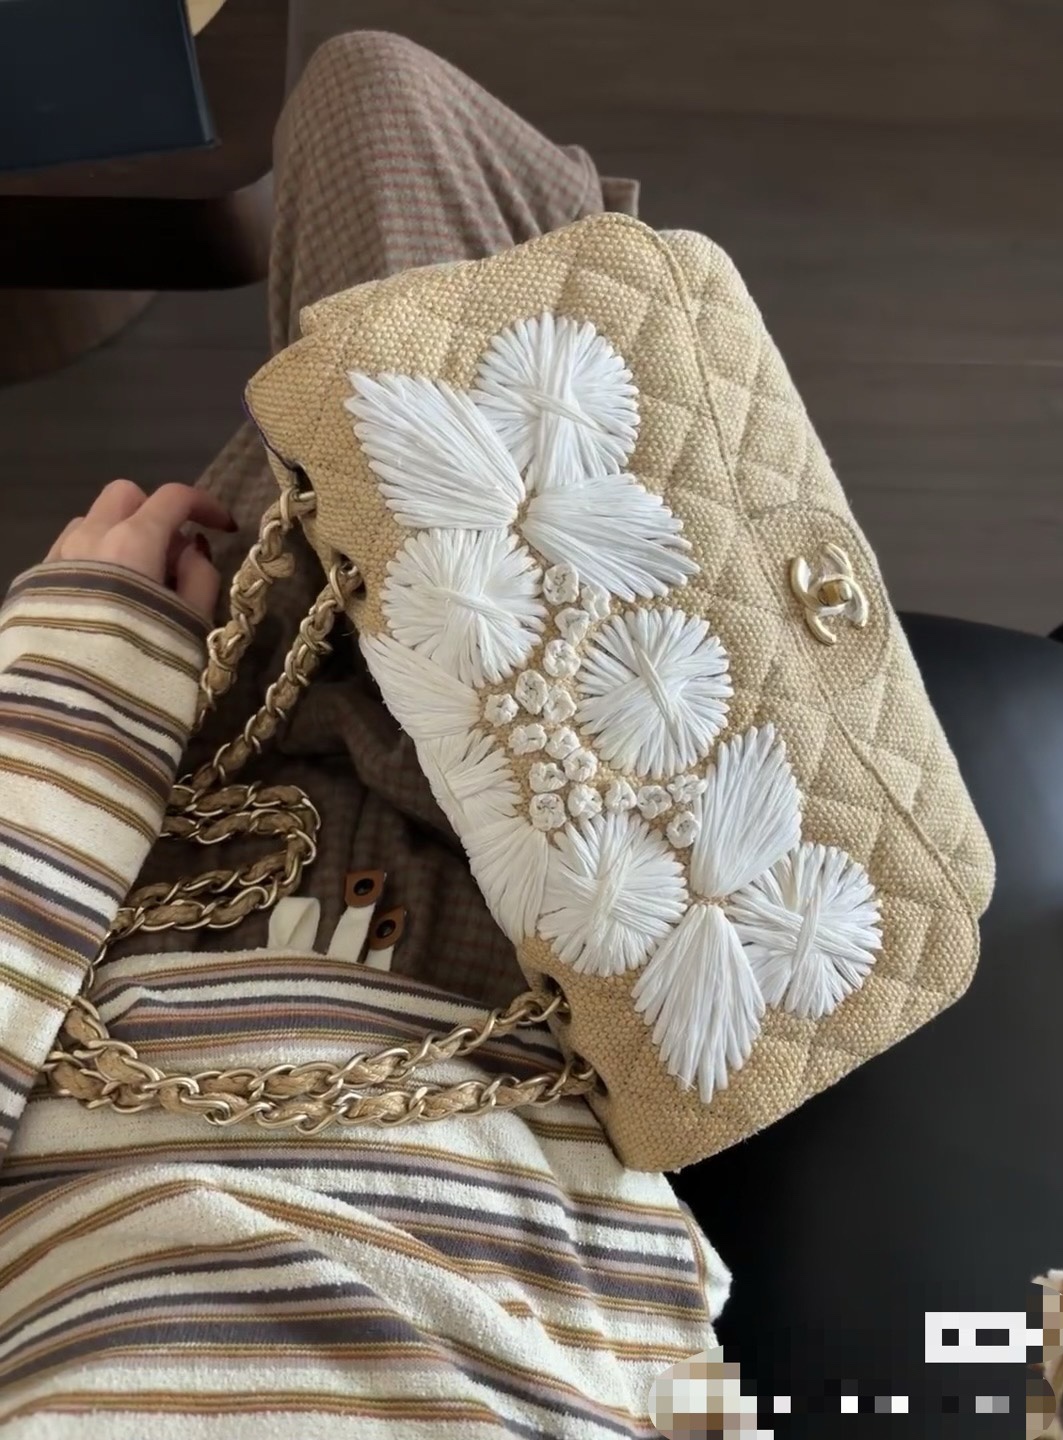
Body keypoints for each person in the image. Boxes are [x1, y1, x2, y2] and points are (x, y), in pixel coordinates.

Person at [0, 33, 728, 1437]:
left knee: (381, 137)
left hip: (108, 945)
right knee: (400, 141)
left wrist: (81, 676)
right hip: (524, 1006)